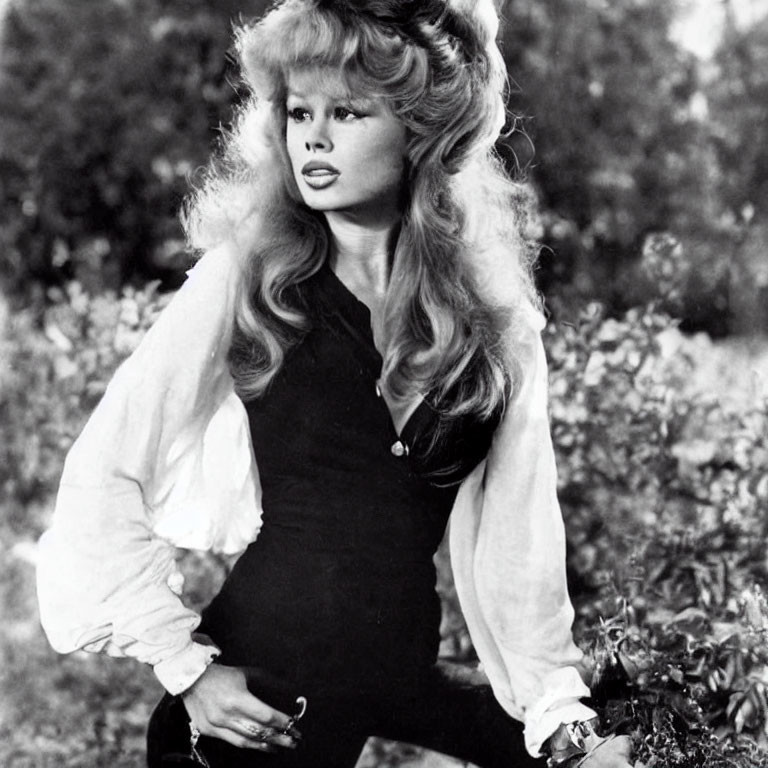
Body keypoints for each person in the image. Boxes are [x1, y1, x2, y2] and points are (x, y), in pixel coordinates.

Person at [37, 1, 635, 767]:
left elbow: (520, 546)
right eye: (297, 111)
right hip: (247, 711)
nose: (311, 135)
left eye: (347, 111)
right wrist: (188, 671)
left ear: (422, 129)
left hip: (394, 673)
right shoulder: (248, 278)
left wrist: (557, 717)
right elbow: (104, 470)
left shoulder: (496, 325)